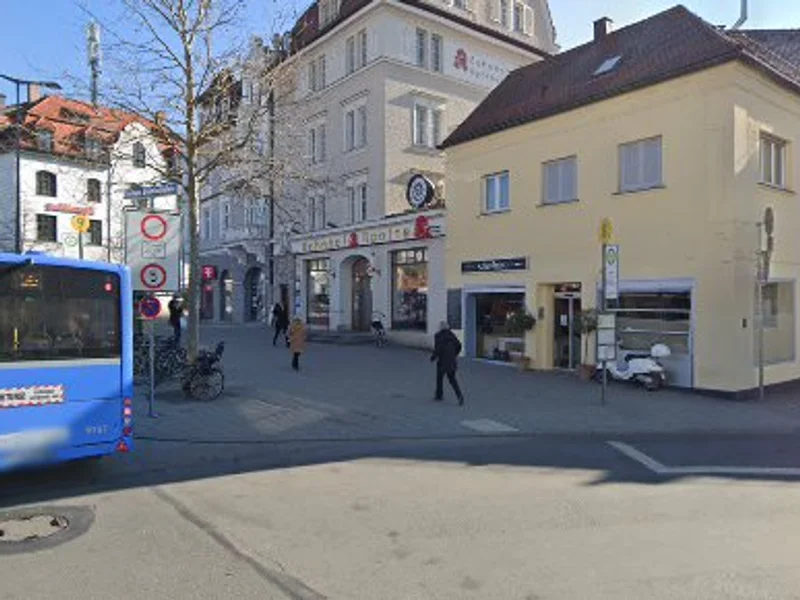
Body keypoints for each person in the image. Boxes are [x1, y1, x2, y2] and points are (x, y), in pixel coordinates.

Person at [431, 321, 464, 405]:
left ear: (440, 327)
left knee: (439, 378)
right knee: (452, 379)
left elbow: (438, 348)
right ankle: (459, 395)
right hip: (451, 361)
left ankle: (439, 395)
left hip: (442, 361)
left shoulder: (438, 336)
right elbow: (459, 345)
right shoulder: (451, 335)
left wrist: (433, 357)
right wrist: (454, 354)